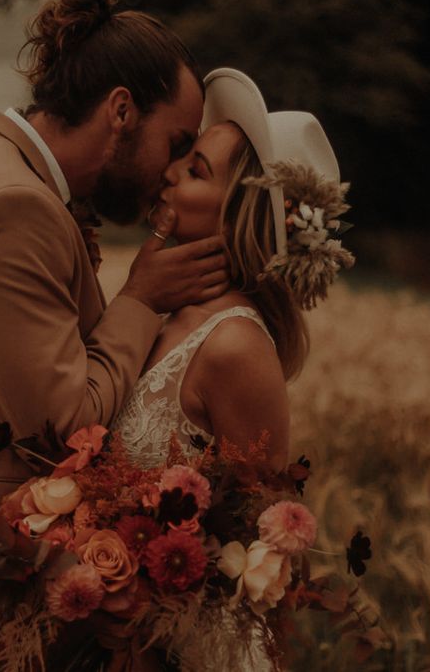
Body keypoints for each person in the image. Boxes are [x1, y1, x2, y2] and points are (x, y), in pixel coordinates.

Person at [0, 0, 231, 670]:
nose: (170, 173)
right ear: (121, 111)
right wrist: (142, 298)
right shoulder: (9, 206)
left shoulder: (6, 181)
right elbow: (64, 425)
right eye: (176, 141)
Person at [112, 69, 353, 667]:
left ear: (239, 215)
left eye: (195, 171)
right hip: (135, 642)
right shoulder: (167, 313)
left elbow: (263, 541)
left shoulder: (236, 347)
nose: (168, 173)